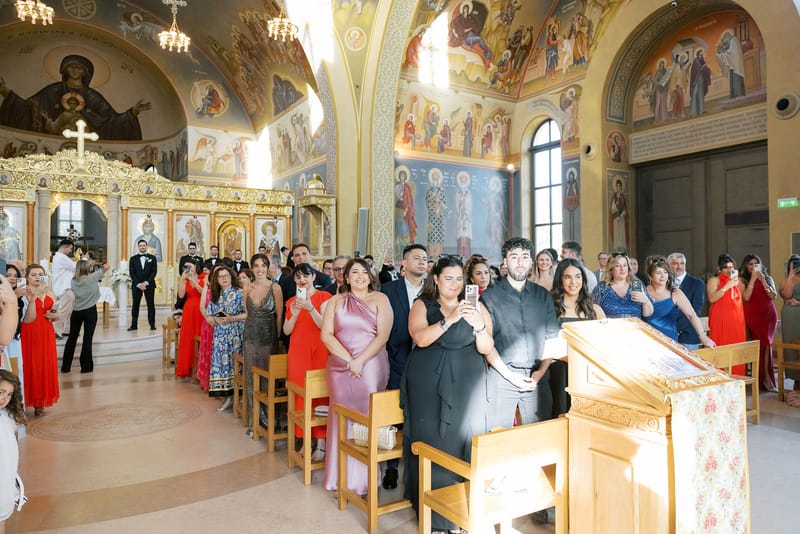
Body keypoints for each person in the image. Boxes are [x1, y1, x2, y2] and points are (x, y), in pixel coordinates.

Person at [401, 256, 497, 532]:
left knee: (462, 444)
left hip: (468, 384)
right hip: (428, 386)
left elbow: (487, 347)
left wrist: (477, 324)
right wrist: (450, 319)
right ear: (436, 279)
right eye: (448, 278)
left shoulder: (477, 306)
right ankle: (435, 518)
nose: (454, 284)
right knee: (433, 444)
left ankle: (461, 514)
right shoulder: (423, 305)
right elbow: (419, 338)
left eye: (459, 279)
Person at [320, 258, 391, 494]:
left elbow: (382, 336)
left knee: (366, 416)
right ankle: (338, 476)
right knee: (340, 416)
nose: (360, 276)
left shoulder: (380, 299)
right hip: (340, 366)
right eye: (354, 272)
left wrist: (360, 360)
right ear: (346, 277)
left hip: (371, 365)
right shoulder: (336, 301)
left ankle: (366, 478)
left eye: (364, 271)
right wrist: (349, 360)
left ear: (371, 276)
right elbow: (327, 335)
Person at [480, 237, 557, 429]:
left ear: (532, 262)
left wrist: (539, 374)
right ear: (505, 262)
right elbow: (486, 343)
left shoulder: (542, 296)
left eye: (525, 257)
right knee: (499, 438)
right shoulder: (490, 297)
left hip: (537, 377)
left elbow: (552, 339)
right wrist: (509, 375)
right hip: (502, 376)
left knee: (540, 438)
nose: (520, 262)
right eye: (514, 257)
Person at [0, 54, 150, 140]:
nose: (75, 70)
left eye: (79, 68)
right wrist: (5, 91)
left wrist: (132, 113)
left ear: (85, 73)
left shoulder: (92, 96)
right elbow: (28, 109)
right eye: (72, 67)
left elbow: (110, 122)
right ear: (64, 69)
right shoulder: (53, 91)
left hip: (87, 144)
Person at [380, 243, 428, 489]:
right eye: (416, 258)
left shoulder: (433, 290)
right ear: (404, 264)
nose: (422, 262)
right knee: (392, 415)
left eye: (425, 258)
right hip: (396, 358)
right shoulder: (389, 290)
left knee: (419, 415)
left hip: (425, 360)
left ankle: (418, 465)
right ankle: (390, 467)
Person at [283, 263, 332, 461]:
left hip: (319, 349)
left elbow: (324, 325)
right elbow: (286, 330)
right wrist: (294, 313)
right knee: (300, 395)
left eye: (306, 275)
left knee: (320, 395)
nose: (302, 279)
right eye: (298, 277)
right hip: (298, 350)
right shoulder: (292, 301)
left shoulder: (325, 298)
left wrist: (311, 308)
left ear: (314, 277)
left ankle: (321, 443)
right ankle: (304, 441)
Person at [549, 259, 606, 417]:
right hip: (558, 373)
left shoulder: (594, 310)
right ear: (560, 280)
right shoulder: (550, 308)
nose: (573, 282)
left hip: (586, 373)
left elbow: (604, 345)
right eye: (567, 277)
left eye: (578, 276)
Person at [243, 254, 283, 436]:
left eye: (263, 265)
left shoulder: (275, 287)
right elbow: (247, 313)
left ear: (268, 268)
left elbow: (279, 316)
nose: (260, 269)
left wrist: (278, 337)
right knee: (251, 379)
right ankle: (255, 423)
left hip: (269, 339)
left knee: (267, 380)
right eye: (256, 266)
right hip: (250, 337)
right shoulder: (247, 287)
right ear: (251, 268)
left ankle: (270, 421)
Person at [643, 256, 715, 347]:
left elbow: (692, 315)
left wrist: (703, 337)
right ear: (650, 276)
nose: (662, 276)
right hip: (647, 341)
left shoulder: (675, 293)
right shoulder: (643, 292)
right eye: (658, 273)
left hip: (670, 341)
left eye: (665, 272)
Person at [205, 265, 245, 411]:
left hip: (235, 336)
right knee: (224, 366)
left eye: (226, 275)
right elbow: (208, 316)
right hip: (220, 338)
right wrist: (216, 319)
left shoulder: (240, 293)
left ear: (231, 277)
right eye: (221, 276)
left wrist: (232, 318)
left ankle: (239, 398)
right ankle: (228, 398)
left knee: (235, 366)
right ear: (217, 279)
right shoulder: (215, 296)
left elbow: (248, 314)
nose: (224, 278)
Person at [21, 264, 60, 416]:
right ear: (27, 277)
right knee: (30, 364)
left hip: (46, 331)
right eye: (34, 274)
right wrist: (36, 295)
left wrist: (54, 315)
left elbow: (57, 312)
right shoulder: (24, 292)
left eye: (40, 274)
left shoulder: (49, 291)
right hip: (29, 331)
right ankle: (25, 401)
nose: (37, 277)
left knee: (45, 365)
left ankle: (39, 403)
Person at [61, 259, 109, 374]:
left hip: (76, 311)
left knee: (72, 338)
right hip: (90, 311)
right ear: (87, 268)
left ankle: (66, 366)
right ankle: (86, 366)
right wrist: (96, 264)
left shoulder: (72, 281)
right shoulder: (92, 278)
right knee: (87, 339)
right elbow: (107, 266)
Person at [739, 254, 779, 391]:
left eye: (756, 264)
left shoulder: (768, 278)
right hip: (753, 316)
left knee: (768, 345)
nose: (753, 267)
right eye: (750, 264)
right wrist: (753, 280)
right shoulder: (742, 280)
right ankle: (765, 379)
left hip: (769, 315)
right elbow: (746, 298)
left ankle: (767, 379)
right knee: (762, 345)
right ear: (746, 266)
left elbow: (773, 296)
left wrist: (763, 282)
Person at [706, 253, 747, 373]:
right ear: (719, 269)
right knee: (722, 346)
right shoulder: (715, 280)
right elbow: (712, 298)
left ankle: (738, 376)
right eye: (726, 267)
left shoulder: (737, 281)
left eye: (732, 267)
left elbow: (744, 298)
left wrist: (738, 283)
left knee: (737, 348)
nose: (730, 270)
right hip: (721, 318)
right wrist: (727, 286)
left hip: (736, 319)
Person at [0, 369, 26, 533]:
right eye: (1, 392)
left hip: (4, 478)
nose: (4, 399)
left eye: (9, 395)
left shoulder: (8, 416)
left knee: (1, 517)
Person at [592, 253, 654, 319]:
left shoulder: (637, 284)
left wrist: (645, 301)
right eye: (617, 266)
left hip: (635, 328)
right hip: (611, 328)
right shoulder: (602, 287)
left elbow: (648, 314)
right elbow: (591, 310)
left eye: (625, 265)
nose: (622, 269)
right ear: (611, 269)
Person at [667, 252, 706, 350]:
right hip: (666, 335)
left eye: (682, 263)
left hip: (688, 336)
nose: (679, 266)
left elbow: (696, 310)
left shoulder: (697, 283)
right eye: (675, 263)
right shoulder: (663, 282)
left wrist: (675, 328)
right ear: (668, 265)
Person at [175, 259, 205, 380]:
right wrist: (182, 279)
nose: (188, 269)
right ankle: (187, 366)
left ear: (195, 267)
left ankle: (199, 367)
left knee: (199, 334)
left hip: (201, 308)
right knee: (188, 337)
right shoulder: (184, 280)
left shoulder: (203, 278)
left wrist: (195, 282)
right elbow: (181, 295)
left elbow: (204, 293)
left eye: (190, 267)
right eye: (186, 267)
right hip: (189, 310)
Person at [779, 254, 800, 391]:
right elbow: (786, 295)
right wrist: (790, 277)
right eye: (792, 265)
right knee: (791, 345)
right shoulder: (785, 280)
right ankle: (796, 379)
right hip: (789, 315)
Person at [128, 239, 157, 331]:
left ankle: (152, 325)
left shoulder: (152, 258)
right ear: (138, 247)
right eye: (140, 245)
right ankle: (134, 325)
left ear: (146, 246)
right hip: (137, 286)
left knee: (151, 305)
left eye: (144, 245)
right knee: (135, 305)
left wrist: (146, 283)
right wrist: (138, 284)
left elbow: (154, 272)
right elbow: (132, 272)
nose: (142, 247)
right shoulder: (133, 259)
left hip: (149, 284)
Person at [51, 239, 75, 339]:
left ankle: (63, 329)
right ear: (65, 247)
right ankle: (56, 330)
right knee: (64, 310)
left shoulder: (58, 257)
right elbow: (76, 267)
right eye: (70, 248)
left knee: (67, 309)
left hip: (63, 287)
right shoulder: (61, 258)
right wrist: (85, 260)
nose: (70, 251)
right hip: (64, 288)